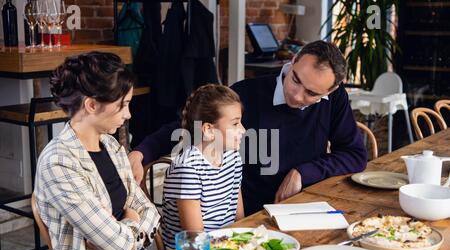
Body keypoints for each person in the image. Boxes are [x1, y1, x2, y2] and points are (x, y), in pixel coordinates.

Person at [128, 40, 367, 216]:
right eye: (295, 79)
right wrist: (142, 152)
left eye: (311, 93)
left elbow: (354, 155)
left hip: (308, 205)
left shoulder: (336, 100)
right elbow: (191, 126)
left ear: (331, 91)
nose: (296, 94)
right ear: (292, 61)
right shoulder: (247, 93)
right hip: (252, 210)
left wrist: (303, 172)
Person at [34, 52, 160, 250]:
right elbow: (119, 245)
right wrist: (133, 222)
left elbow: (151, 212)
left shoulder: (111, 146)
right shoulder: (58, 162)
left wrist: (126, 225)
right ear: (91, 105)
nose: (129, 114)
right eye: (122, 105)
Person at [161, 84, 245, 250]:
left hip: (226, 246)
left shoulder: (232, 157)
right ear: (209, 130)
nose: (243, 129)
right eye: (235, 124)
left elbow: (239, 219)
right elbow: (195, 235)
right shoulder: (188, 168)